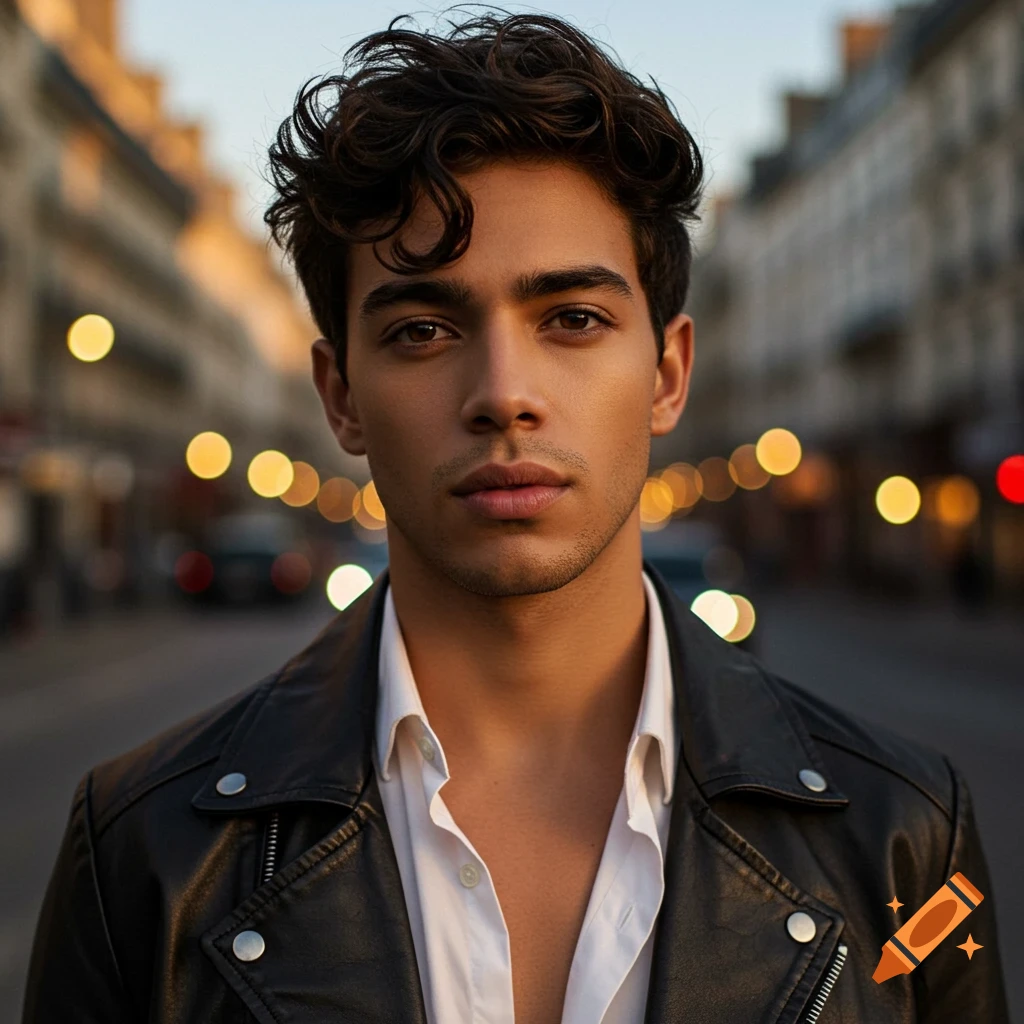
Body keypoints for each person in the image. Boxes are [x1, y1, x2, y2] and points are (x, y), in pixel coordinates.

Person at [23, 10, 1009, 1023]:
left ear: (667, 373)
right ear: (340, 395)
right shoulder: (143, 849)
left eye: (573, 319)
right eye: (421, 329)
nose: (503, 392)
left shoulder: (905, 832)